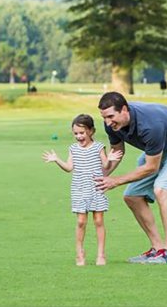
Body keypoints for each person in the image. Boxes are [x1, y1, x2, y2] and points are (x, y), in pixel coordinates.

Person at [95, 92, 167, 264]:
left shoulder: (150, 125)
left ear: (124, 109)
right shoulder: (111, 125)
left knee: (162, 189)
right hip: (160, 148)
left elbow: (152, 167)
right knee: (132, 196)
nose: (107, 122)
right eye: (104, 117)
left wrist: (115, 180)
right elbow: (117, 152)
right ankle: (158, 249)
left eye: (111, 116)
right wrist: (101, 176)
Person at [42, 114, 122, 266]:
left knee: (98, 221)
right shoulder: (73, 148)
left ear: (91, 131)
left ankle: (101, 254)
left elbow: (105, 166)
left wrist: (110, 158)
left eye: (82, 133)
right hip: (79, 188)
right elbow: (69, 168)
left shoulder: (99, 147)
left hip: (96, 188)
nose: (79, 136)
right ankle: (79, 253)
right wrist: (57, 160)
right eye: (76, 133)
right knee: (80, 222)